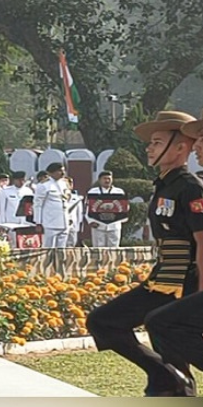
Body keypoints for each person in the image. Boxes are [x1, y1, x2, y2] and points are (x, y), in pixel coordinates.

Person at [87, 110, 201, 397]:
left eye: (157, 141)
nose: (149, 147)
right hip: (162, 277)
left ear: (180, 147)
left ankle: (174, 385)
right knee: (105, 321)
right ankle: (170, 380)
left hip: (182, 280)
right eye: (150, 142)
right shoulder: (165, 184)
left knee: (161, 328)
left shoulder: (189, 188)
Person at [33, 162, 72, 248]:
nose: (63, 173)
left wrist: (69, 218)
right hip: (50, 222)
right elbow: (38, 204)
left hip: (64, 221)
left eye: (63, 171)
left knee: (61, 250)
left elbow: (66, 202)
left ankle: (60, 262)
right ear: (51, 173)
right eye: (59, 171)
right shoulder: (44, 185)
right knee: (48, 248)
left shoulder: (64, 183)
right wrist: (38, 222)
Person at [85, 171, 127, 247]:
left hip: (114, 225)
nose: (107, 181)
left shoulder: (119, 192)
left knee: (114, 249)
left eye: (109, 179)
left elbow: (124, 208)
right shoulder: (93, 192)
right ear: (100, 180)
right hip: (98, 224)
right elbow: (87, 208)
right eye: (105, 178)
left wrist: (122, 219)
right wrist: (91, 221)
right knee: (98, 249)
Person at [65, 177, 84, 247]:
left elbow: (79, 213)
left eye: (67, 184)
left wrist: (78, 227)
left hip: (73, 225)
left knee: (71, 244)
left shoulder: (77, 198)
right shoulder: (56, 197)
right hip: (60, 225)